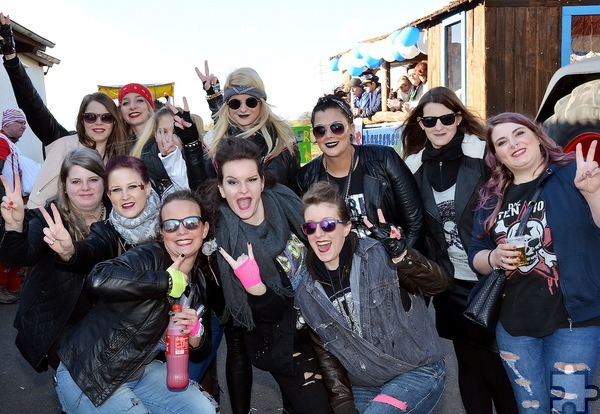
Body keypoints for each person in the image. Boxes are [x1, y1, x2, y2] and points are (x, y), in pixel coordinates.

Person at [468, 112, 600, 413]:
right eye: (502, 142)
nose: (513, 144)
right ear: (496, 155)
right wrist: (494, 257)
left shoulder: (574, 175)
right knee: (530, 409)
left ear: (537, 136)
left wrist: (593, 194)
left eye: (519, 134)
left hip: (576, 322)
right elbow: (476, 253)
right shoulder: (491, 197)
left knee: (570, 409)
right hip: (514, 327)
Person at [402, 87, 517, 414]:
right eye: (430, 121)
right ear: (421, 124)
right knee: (468, 365)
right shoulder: (413, 167)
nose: (439, 127)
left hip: (492, 277)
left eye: (447, 118)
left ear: (459, 118)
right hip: (450, 283)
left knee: (497, 367)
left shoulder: (483, 154)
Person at [51, 190, 216, 413]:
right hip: (90, 374)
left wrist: (195, 333)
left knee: (201, 410)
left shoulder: (198, 284)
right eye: (171, 225)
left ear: (204, 229)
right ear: (162, 232)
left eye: (191, 222)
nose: (181, 231)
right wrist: (165, 281)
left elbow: (201, 351)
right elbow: (99, 277)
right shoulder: (148, 258)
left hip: (139, 371)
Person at [203, 136, 330, 414]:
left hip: (325, 324)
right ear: (222, 189)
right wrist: (255, 285)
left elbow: (324, 252)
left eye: (250, 180)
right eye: (233, 182)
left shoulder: (285, 202)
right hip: (284, 339)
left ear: (262, 180)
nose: (243, 191)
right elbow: (268, 316)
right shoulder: (222, 239)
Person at [296, 181, 448, 413]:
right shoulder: (307, 293)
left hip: (415, 370)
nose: (319, 234)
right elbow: (328, 356)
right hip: (365, 382)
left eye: (327, 225)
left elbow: (438, 284)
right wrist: (343, 404)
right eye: (310, 227)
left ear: (346, 228)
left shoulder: (378, 255)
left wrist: (402, 255)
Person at [0, 148, 107, 371]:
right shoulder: (49, 216)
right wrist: (14, 226)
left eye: (93, 179)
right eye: (76, 181)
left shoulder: (119, 216)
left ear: (104, 182)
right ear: (65, 187)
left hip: (106, 321)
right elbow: (17, 256)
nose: (85, 187)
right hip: (59, 323)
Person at [295, 94, 425, 248]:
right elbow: (306, 233)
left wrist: (399, 259)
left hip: (391, 261)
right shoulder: (306, 177)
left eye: (337, 128)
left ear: (351, 129)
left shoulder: (384, 159)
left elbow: (415, 222)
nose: (328, 135)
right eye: (320, 130)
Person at [196, 61, 300, 187]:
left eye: (251, 102)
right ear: (227, 106)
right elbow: (204, 191)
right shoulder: (213, 143)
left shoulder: (284, 140)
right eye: (235, 103)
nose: (243, 109)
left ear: (261, 102)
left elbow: (295, 190)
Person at [0, 108, 41, 304]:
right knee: (5, 243)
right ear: (7, 124)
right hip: (5, 203)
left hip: (10, 202)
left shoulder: (10, 145)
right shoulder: (1, 141)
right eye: (20, 123)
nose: (24, 127)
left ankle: (13, 285)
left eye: (25, 123)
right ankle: (3, 288)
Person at [130, 102, 206, 196]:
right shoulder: (139, 167)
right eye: (163, 132)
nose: (169, 138)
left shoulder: (202, 163)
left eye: (175, 132)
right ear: (155, 134)